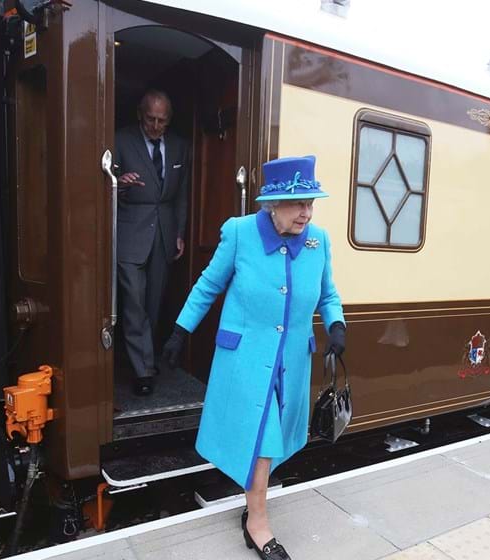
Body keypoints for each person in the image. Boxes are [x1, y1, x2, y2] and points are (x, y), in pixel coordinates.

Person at [160, 155, 345, 560]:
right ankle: (258, 524)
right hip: (244, 359)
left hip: (293, 360)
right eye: (298, 203)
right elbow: (208, 285)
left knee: (274, 440)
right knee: (262, 438)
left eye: (310, 203)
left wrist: (336, 325)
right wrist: (180, 331)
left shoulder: (320, 241)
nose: (306, 212)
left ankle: (254, 504)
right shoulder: (241, 233)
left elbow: (328, 294)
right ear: (272, 204)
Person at [114, 90, 191, 396]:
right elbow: (104, 186)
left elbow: (182, 196)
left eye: (162, 121)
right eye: (151, 119)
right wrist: (119, 184)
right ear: (139, 114)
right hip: (130, 234)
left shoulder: (180, 147)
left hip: (163, 232)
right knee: (133, 302)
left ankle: (145, 355)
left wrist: (179, 233)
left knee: (154, 303)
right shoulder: (120, 140)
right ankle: (142, 369)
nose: (156, 126)